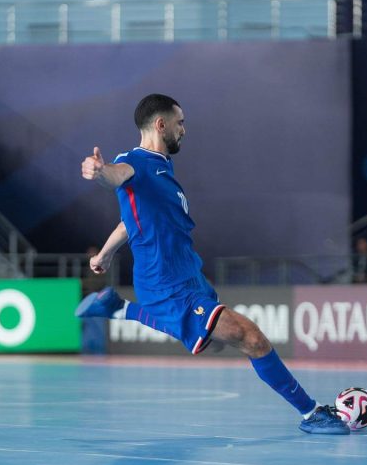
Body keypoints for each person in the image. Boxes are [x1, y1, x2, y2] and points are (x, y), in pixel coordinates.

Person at [76, 94, 349, 435]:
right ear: (161, 125)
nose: (184, 130)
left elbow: (130, 220)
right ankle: (312, 414)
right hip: (165, 284)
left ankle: (119, 308)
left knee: (217, 343)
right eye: (180, 122)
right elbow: (115, 175)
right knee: (250, 337)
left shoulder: (162, 167)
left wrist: (104, 254)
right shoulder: (135, 163)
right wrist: (99, 171)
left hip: (189, 275)